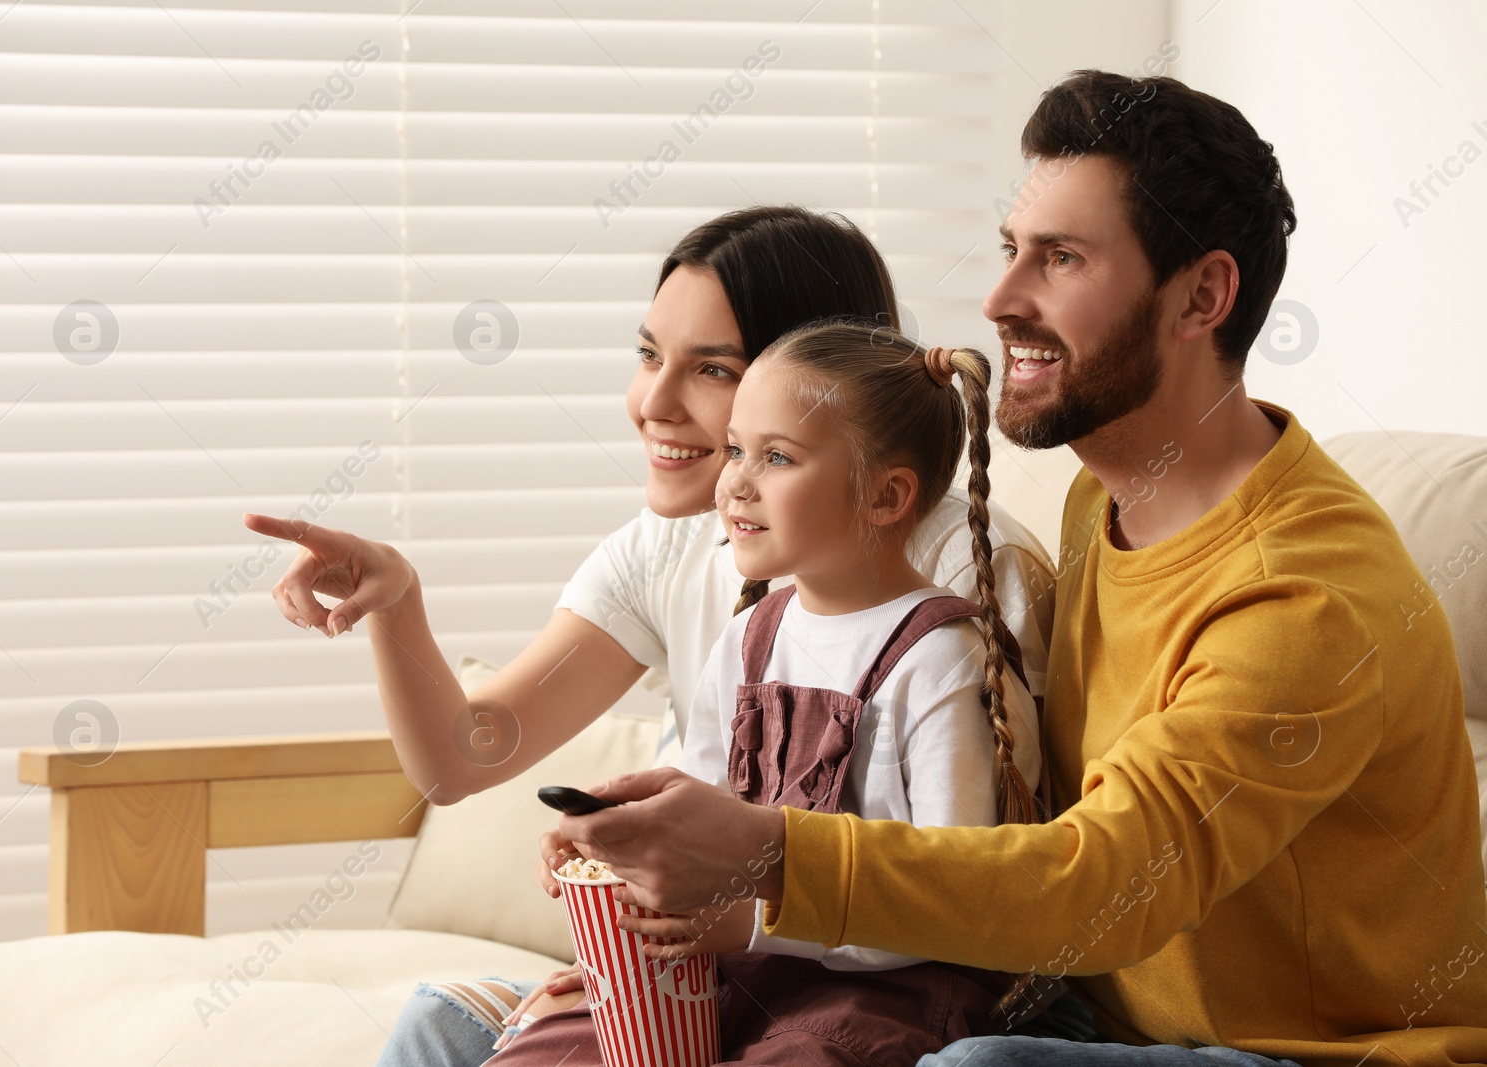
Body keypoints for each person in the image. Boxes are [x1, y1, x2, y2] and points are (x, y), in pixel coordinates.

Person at [544, 71, 1487, 1066]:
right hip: (1078, 1014)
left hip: (1297, 1053)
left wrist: (763, 851)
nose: (999, 299)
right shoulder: (1101, 502)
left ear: (1202, 295)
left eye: (1061, 259)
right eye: (1009, 251)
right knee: (466, 1023)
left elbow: (1103, 881)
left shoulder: (1307, 596)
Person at [241, 205, 1059, 1065]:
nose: (652, 404)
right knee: (452, 1024)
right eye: (647, 355)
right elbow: (464, 755)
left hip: (867, 985)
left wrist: (730, 919)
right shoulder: (683, 552)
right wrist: (396, 604)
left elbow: (968, 882)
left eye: (710, 369)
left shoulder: (958, 580)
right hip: (729, 960)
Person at [492, 323, 1044, 1066]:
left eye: (777, 456)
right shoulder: (750, 635)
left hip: (885, 996)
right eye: (735, 449)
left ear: (886, 495)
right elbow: (698, 813)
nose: (735, 482)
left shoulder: (942, 661)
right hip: (738, 972)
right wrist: (614, 844)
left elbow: (953, 901)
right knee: (547, 1046)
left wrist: (748, 921)